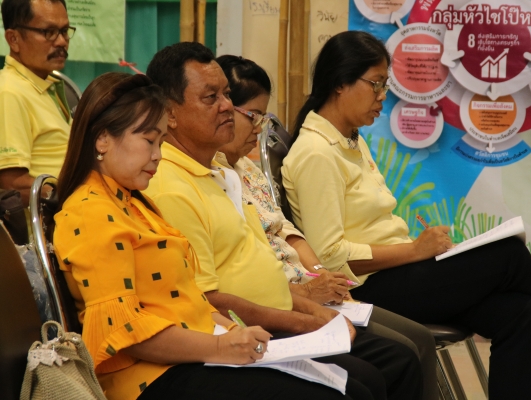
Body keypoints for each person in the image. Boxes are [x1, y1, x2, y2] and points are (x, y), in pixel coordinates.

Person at [281, 30, 531, 400]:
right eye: (376, 84)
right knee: (509, 255)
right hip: (366, 288)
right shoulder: (317, 153)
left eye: (385, 85)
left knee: (522, 311)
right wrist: (415, 250)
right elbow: (331, 257)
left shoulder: (350, 139)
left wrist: (418, 250)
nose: (382, 96)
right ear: (340, 82)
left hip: (398, 273)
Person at [52, 71, 379, 400]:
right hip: (150, 377)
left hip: (198, 352)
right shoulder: (90, 212)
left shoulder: (134, 203)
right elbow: (127, 334)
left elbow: (190, 299)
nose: (157, 155)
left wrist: (235, 332)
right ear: (102, 139)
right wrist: (223, 346)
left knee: (360, 383)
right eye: (148, 141)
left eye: (160, 143)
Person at [144, 42, 422, 400]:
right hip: (243, 332)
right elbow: (209, 302)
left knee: (394, 362)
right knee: (366, 381)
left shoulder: (220, 172)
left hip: (280, 312)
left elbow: (271, 262)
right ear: (169, 114)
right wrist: (309, 319)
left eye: (227, 95)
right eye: (211, 97)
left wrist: (313, 309)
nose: (227, 106)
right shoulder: (171, 187)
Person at [215, 54, 439, 400]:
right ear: (340, 85)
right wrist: (308, 296)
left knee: (419, 343)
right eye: (376, 84)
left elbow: (286, 231)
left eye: (263, 118)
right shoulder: (309, 153)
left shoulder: (246, 168)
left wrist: (319, 275)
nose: (258, 129)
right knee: (396, 360)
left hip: (309, 289)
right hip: (281, 301)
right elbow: (240, 277)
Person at [0, 0, 74, 205]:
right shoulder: (9, 92)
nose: (61, 42)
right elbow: (11, 185)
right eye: (48, 32)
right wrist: (76, 196)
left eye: (64, 31)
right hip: (52, 218)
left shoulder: (48, 85)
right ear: (13, 39)